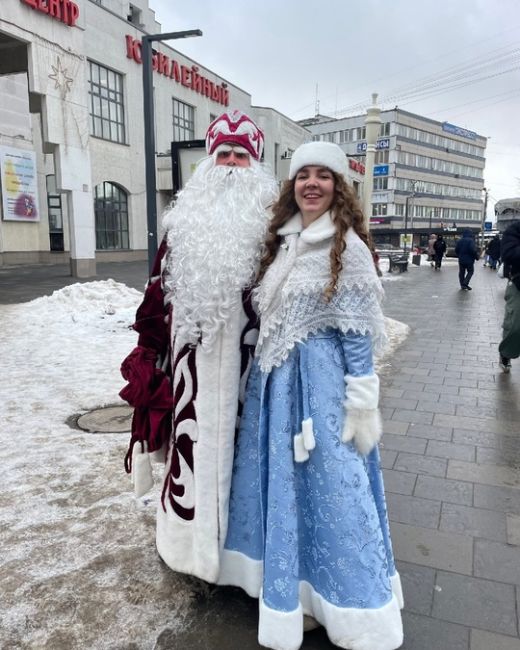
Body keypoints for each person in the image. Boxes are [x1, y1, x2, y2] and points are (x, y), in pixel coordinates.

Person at [218, 142, 404, 650]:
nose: (312, 184)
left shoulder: (349, 248)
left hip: (321, 392)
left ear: (339, 187)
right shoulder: (285, 242)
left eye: (325, 175)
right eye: (304, 175)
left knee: (332, 489)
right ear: (292, 185)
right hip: (276, 389)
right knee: (283, 486)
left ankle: (344, 604)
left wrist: (360, 406)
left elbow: (359, 340)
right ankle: (289, 588)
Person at [119, 109, 278, 583]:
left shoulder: (274, 226)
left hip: (256, 367)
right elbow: (155, 294)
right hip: (190, 369)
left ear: (257, 164)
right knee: (190, 455)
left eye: (241, 155)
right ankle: (186, 547)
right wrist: (149, 355)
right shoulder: (181, 224)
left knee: (248, 454)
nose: (230, 162)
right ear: (208, 162)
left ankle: (242, 559)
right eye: (223, 153)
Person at [498, 221, 520, 372]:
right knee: (514, 324)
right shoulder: (514, 229)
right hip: (519, 283)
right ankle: (505, 353)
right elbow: (508, 253)